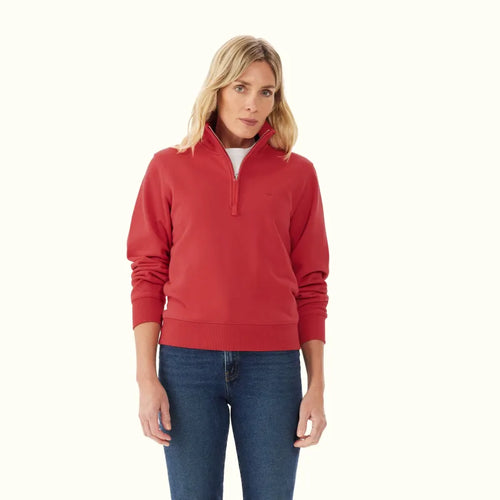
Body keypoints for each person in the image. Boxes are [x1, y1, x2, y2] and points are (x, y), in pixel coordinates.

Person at [126, 34, 330, 500]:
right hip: (185, 365)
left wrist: (316, 385)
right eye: (241, 87)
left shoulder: (298, 173)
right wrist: (146, 376)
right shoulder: (168, 167)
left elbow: (312, 283)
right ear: (217, 89)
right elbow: (148, 272)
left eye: (266, 91)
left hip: (273, 367)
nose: (253, 103)